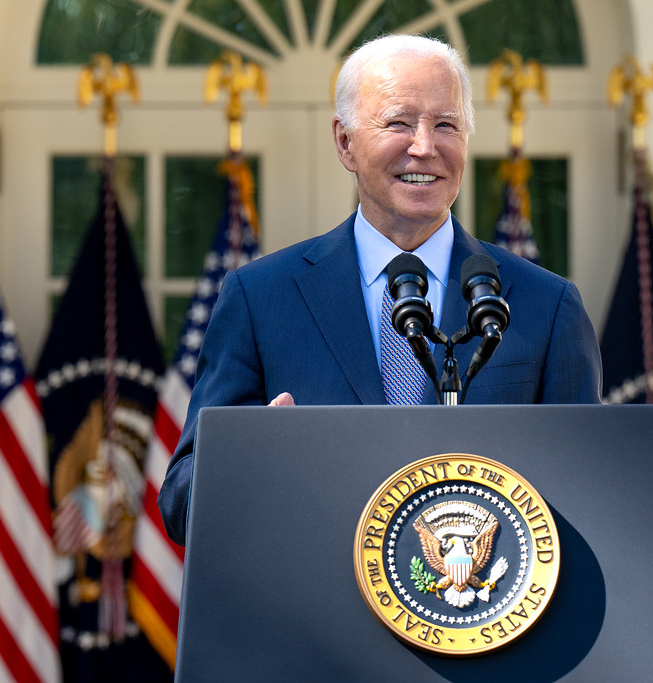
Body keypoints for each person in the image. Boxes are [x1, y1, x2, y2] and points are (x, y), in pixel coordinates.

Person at [158, 34, 602, 546]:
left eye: (446, 125)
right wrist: (252, 461)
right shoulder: (260, 300)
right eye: (398, 122)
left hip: (483, 607)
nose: (424, 146)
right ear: (345, 142)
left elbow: (588, 494)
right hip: (313, 618)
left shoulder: (546, 307)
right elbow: (179, 502)